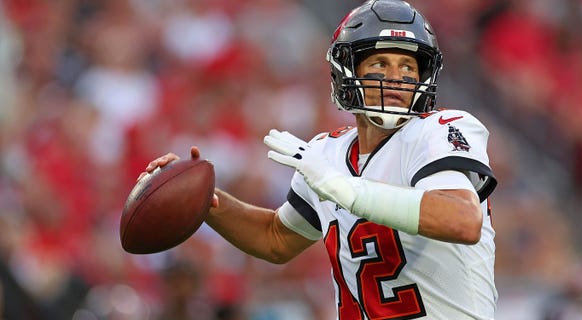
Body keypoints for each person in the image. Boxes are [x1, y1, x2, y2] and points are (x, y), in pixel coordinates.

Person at [141, 0, 498, 319]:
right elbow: (275, 239)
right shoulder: (328, 153)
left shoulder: (440, 130)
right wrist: (203, 199)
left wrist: (345, 189)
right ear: (349, 70)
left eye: (409, 66)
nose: (397, 77)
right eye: (381, 63)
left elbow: (462, 220)